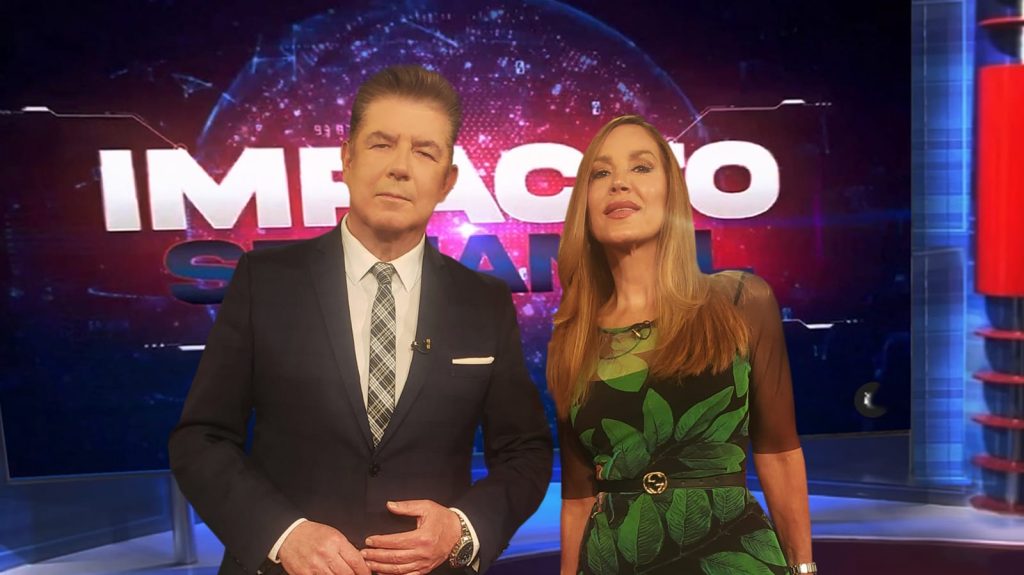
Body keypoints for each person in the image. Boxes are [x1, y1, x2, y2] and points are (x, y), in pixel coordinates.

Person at [169, 65, 552, 575]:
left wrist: (462, 529)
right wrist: (283, 535)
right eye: (381, 144)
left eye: (424, 152)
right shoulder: (265, 280)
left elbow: (525, 451)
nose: (400, 167)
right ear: (346, 158)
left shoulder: (484, 300)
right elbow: (201, 438)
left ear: (447, 181)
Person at [548, 115, 814, 575]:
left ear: (671, 192)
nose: (619, 183)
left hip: (733, 557)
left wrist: (804, 569)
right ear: (584, 205)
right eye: (601, 173)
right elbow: (577, 499)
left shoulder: (740, 300)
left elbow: (779, 453)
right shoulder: (572, 338)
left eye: (641, 167)